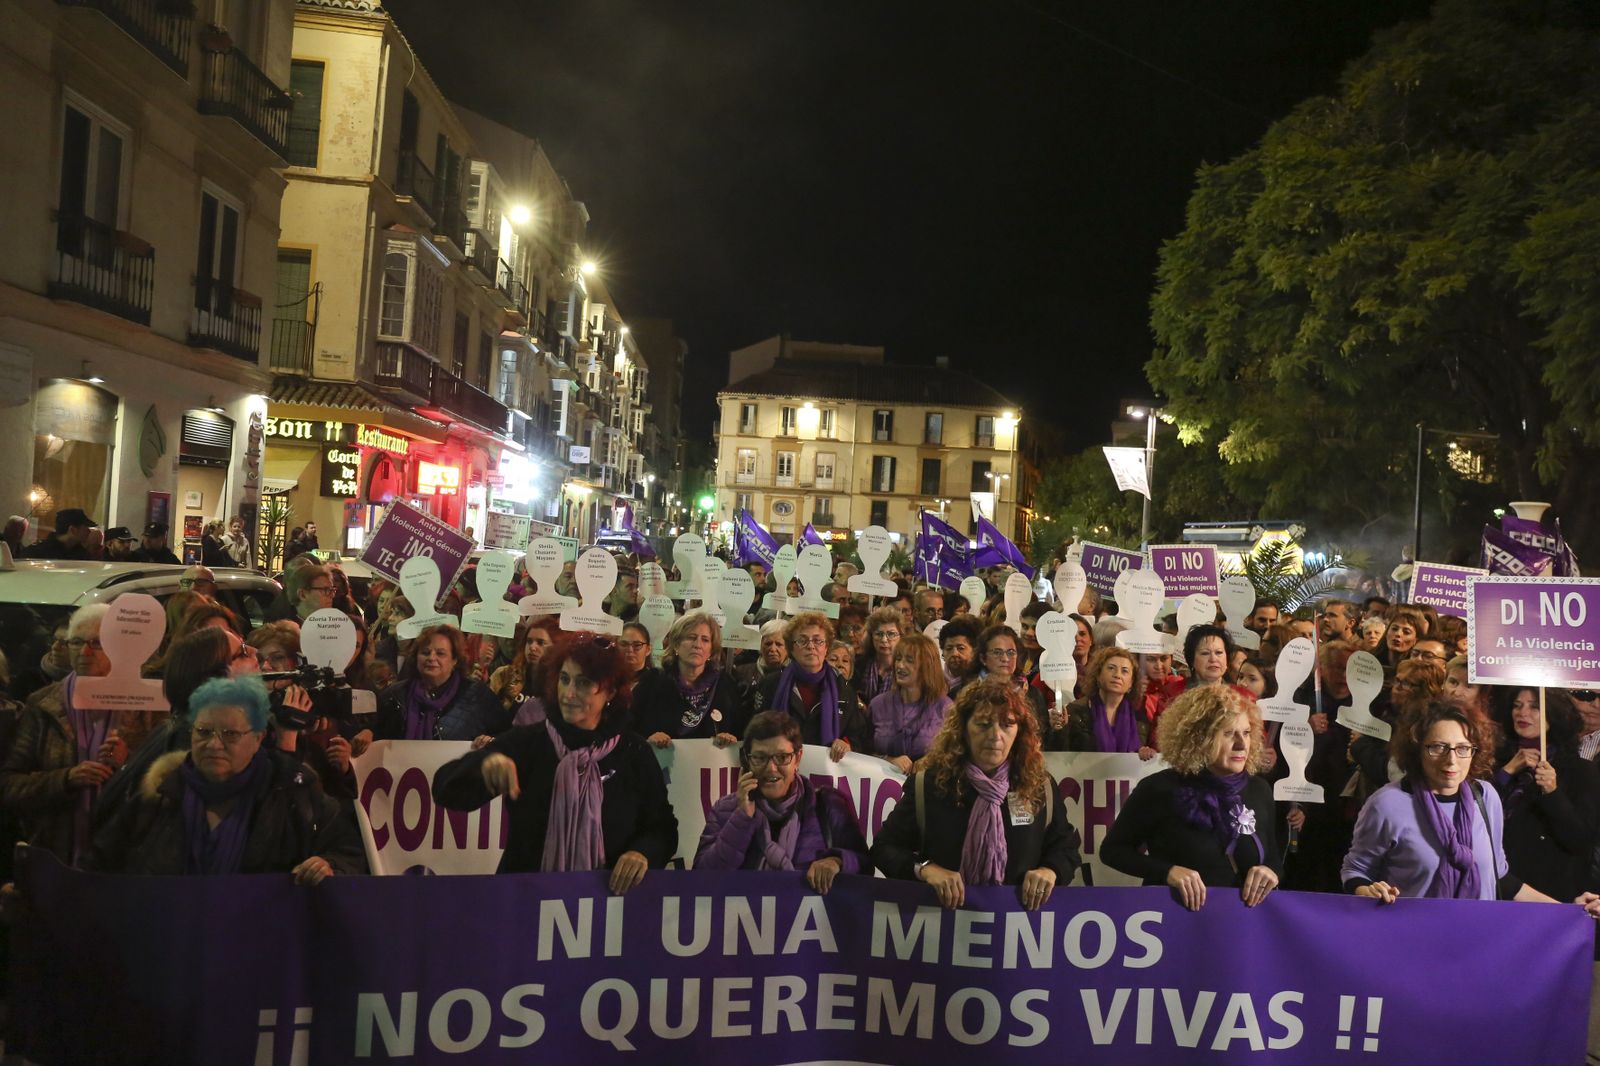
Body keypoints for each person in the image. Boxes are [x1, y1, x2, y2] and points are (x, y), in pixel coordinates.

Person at [432, 635, 677, 885]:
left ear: (611, 691)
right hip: (526, 900)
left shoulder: (633, 752)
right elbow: (445, 790)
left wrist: (642, 853)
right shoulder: (528, 743)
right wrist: (479, 768)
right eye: (564, 679)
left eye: (583, 683)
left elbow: (662, 827)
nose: (569, 693)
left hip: (606, 904)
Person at [89, 676, 364, 880]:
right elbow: (99, 865)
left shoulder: (293, 790)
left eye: (230, 734)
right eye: (203, 731)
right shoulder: (159, 794)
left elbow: (349, 851)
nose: (214, 744)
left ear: (258, 738)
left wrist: (329, 866)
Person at [1342, 700, 1586, 905]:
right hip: (1413, 941)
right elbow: (1355, 872)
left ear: (1475, 751)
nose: (1451, 761)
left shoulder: (1486, 796)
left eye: (1462, 748)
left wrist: (1567, 910)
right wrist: (1367, 891)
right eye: (1437, 747)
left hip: (1476, 941)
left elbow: (1499, 877)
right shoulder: (1387, 804)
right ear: (1417, 749)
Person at [871, 678, 1079, 909]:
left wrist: (1050, 871)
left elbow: (1066, 849)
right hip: (943, 926)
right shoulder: (930, 784)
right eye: (983, 724)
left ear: (1020, 732)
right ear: (963, 729)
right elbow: (884, 848)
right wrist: (925, 868)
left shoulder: (1039, 785)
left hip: (1017, 929)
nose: (995, 735)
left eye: (1007, 724)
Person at [0, 605, 160, 865]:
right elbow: (9, 785)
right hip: (56, 855)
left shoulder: (147, 705)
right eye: (76, 642)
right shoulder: (43, 704)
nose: (84, 652)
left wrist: (127, 762)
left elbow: (167, 789)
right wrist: (66, 779)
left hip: (124, 857)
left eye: (97, 643)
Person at [1101, 685, 1282, 909]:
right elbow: (1112, 851)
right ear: (1198, 738)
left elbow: (1273, 854)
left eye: (1246, 733)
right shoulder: (1159, 789)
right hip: (1177, 921)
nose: (1241, 744)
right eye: (1228, 733)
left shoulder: (1259, 789)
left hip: (1241, 925)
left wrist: (1270, 872)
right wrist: (1167, 872)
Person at [694, 710, 870, 890]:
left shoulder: (828, 804)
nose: (771, 768)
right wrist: (741, 818)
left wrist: (837, 861)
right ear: (747, 760)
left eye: (782, 757)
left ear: (798, 758)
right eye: (760, 758)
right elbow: (700, 879)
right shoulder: (726, 809)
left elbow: (864, 864)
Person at [1490, 688, 1600, 904]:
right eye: (1517, 705)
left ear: (1554, 714)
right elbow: (1473, 814)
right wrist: (1506, 773)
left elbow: (1582, 842)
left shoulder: (1580, 771)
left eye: (1535, 707)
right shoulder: (1493, 761)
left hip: (1551, 894)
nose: (1523, 713)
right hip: (1498, 888)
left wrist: (1553, 793)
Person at [740, 612, 867, 759]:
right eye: (802, 640)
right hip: (780, 766)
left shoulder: (843, 689)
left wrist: (847, 743)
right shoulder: (771, 684)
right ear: (791, 648)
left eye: (818, 641)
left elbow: (858, 735)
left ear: (826, 648)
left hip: (823, 772)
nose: (811, 646)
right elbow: (753, 730)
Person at [374, 625, 505, 741]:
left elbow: (504, 735)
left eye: (440, 653)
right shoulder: (395, 694)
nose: (431, 658)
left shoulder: (477, 695)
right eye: (425, 652)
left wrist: (489, 741)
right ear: (416, 657)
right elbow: (375, 732)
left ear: (454, 660)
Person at [633, 611, 741, 748]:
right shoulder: (653, 681)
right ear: (676, 645)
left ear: (711, 650)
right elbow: (629, 730)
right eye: (691, 637)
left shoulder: (725, 685)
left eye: (705, 640)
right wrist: (647, 739)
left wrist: (730, 738)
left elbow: (741, 732)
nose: (698, 645)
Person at [1046, 646, 1156, 758]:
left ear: (1131, 683)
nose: (1117, 675)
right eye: (1111, 668)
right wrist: (1058, 730)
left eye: (1124, 671)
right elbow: (1058, 756)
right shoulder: (1075, 711)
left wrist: (1145, 752)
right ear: (1098, 675)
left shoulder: (1140, 717)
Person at [867, 632, 953, 773]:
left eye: (909, 660)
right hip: (881, 788)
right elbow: (862, 752)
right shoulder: (877, 704)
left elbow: (954, 755)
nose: (900, 666)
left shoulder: (946, 708)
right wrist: (887, 760)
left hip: (926, 788)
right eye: (898, 659)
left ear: (927, 665)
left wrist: (929, 762)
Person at [853, 606, 902, 705]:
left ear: (902, 636)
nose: (884, 640)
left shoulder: (907, 668)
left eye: (891, 634)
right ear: (871, 637)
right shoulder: (859, 664)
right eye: (879, 634)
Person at [22, 509, 97, 561]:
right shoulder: (37, 554)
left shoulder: (83, 554)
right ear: (73, 530)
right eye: (85, 528)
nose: (89, 531)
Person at [938, 615, 982, 692]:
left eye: (961, 648)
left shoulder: (981, 684)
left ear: (974, 651)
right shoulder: (935, 681)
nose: (954, 653)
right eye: (949, 648)